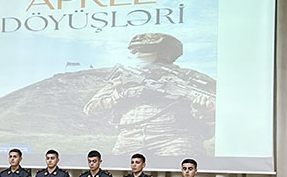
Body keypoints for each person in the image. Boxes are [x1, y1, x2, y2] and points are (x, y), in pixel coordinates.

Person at [84, 33, 215, 156]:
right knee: (123, 172)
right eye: (136, 51)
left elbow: (214, 112)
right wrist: (122, 95)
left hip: (176, 139)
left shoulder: (190, 78)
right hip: (129, 138)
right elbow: (90, 109)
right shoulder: (126, 77)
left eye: (144, 51)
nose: (138, 55)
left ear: (164, 53)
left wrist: (203, 110)